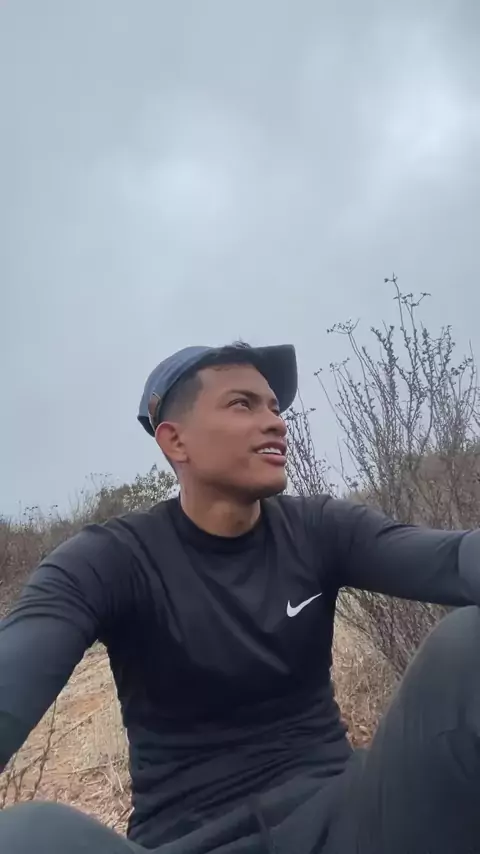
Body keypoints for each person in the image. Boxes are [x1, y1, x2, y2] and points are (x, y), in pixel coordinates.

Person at [1, 341, 480, 854]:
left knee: (469, 643)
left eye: (274, 407)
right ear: (175, 441)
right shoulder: (111, 558)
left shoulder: (319, 528)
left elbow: (454, 560)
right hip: (189, 838)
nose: (275, 422)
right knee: (30, 835)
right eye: (242, 404)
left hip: (346, 818)